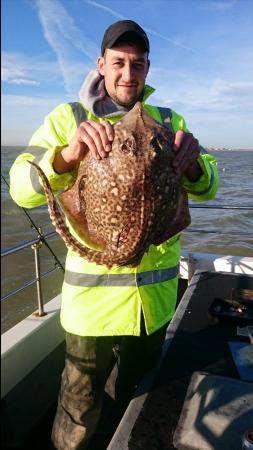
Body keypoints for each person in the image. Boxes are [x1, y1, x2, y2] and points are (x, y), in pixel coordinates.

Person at [9, 19, 219, 450]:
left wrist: (194, 164)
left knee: (136, 403)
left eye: (138, 65)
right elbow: (20, 188)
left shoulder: (167, 118)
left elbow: (208, 185)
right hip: (93, 307)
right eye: (119, 63)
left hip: (153, 306)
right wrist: (67, 155)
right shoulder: (69, 117)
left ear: (148, 69)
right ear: (101, 65)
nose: (129, 74)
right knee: (79, 407)